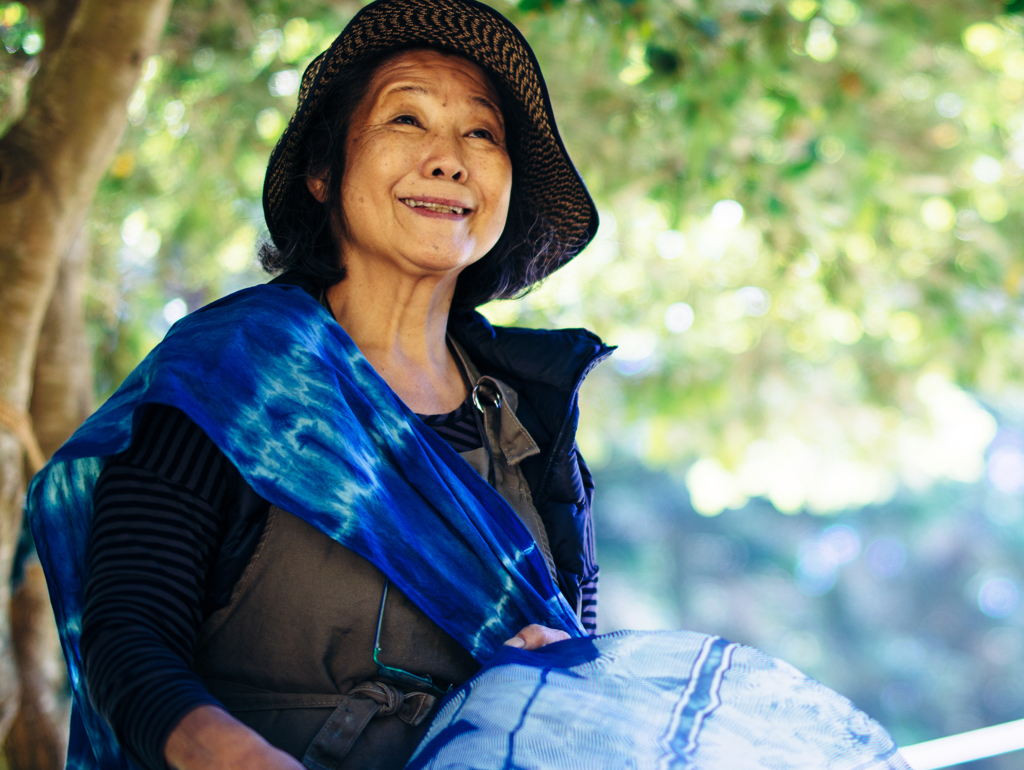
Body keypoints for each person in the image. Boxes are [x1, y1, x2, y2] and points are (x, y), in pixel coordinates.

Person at [27, 1, 912, 769]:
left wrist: (564, 669)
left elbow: (577, 679)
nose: (449, 159)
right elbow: (128, 644)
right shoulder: (231, 375)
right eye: (406, 121)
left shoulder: (528, 417)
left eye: (480, 134)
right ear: (325, 172)